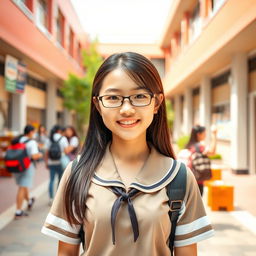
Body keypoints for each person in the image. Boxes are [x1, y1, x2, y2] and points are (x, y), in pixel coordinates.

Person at [41, 52, 214, 255]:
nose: (126, 109)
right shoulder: (77, 172)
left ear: (157, 103)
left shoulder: (180, 178)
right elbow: (66, 253)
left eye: (139, 96)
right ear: (97, 105)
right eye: (113, 97)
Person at [13, 125, 42, 218]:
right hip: (26, 167)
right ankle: (18, 211)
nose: (34, 134)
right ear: (30, 132)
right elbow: (34, 156)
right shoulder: (32, 142)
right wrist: (40, 155)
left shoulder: (18, 139)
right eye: (34, 132)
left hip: (16, 166)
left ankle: (29, 200)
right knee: (22, 187)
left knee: (23, 185)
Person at [185, 125, 217, 195]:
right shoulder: (199, 147)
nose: (205, 136)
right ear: (198, 134)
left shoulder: (189, 146)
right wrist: (214, 134)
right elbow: (212, 152)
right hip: (197, 182)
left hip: (188, 180)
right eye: (204, 134)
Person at [45, 125, 72, 206]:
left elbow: (46, 152)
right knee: (60, 181)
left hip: (51, 162)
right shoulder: (63, 138)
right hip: (60, 162)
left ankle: (50, 198)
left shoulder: (49, 138)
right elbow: (66, 151)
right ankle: (57, 199)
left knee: (51, 180)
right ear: (59, 131)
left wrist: (46, 162)